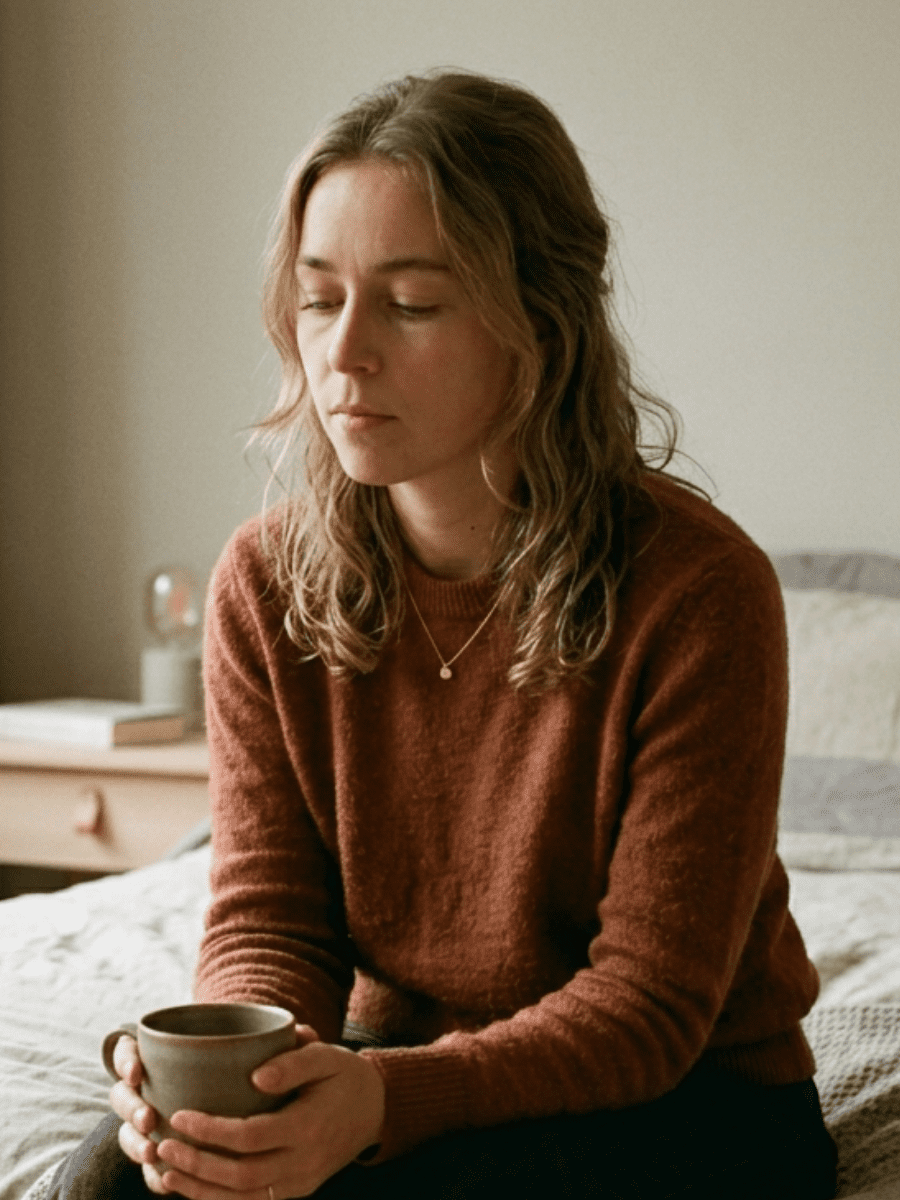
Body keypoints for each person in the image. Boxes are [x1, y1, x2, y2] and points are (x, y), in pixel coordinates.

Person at [52, 70, 837, 1199]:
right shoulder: (265, 584)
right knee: (110, 1177)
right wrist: (224, 1076)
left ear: (541, 322)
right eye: (321, 299)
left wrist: (380, 1105)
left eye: (411, 303)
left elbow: (648, 1006)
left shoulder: (699, 591)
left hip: (692, 1100)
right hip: (402, 1071)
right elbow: (272, 916)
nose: (345, 353)